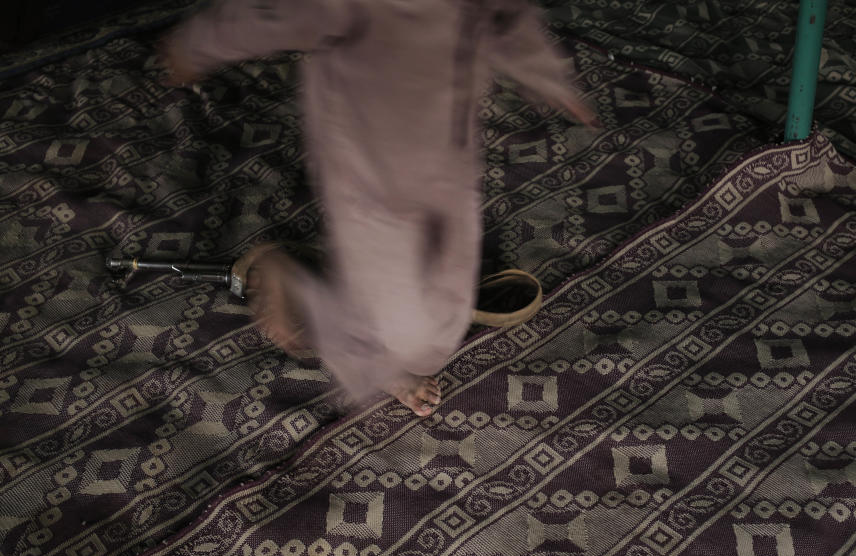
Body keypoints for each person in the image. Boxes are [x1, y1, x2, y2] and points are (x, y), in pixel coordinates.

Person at [159, 0, 598, 416]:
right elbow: (278, 13)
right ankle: (289, 277)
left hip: (449, 164)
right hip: (372, 178)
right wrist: (197, 44)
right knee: (405, 332)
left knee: (443, 315)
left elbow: (506, 16)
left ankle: (393, 331)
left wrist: (545, 74)